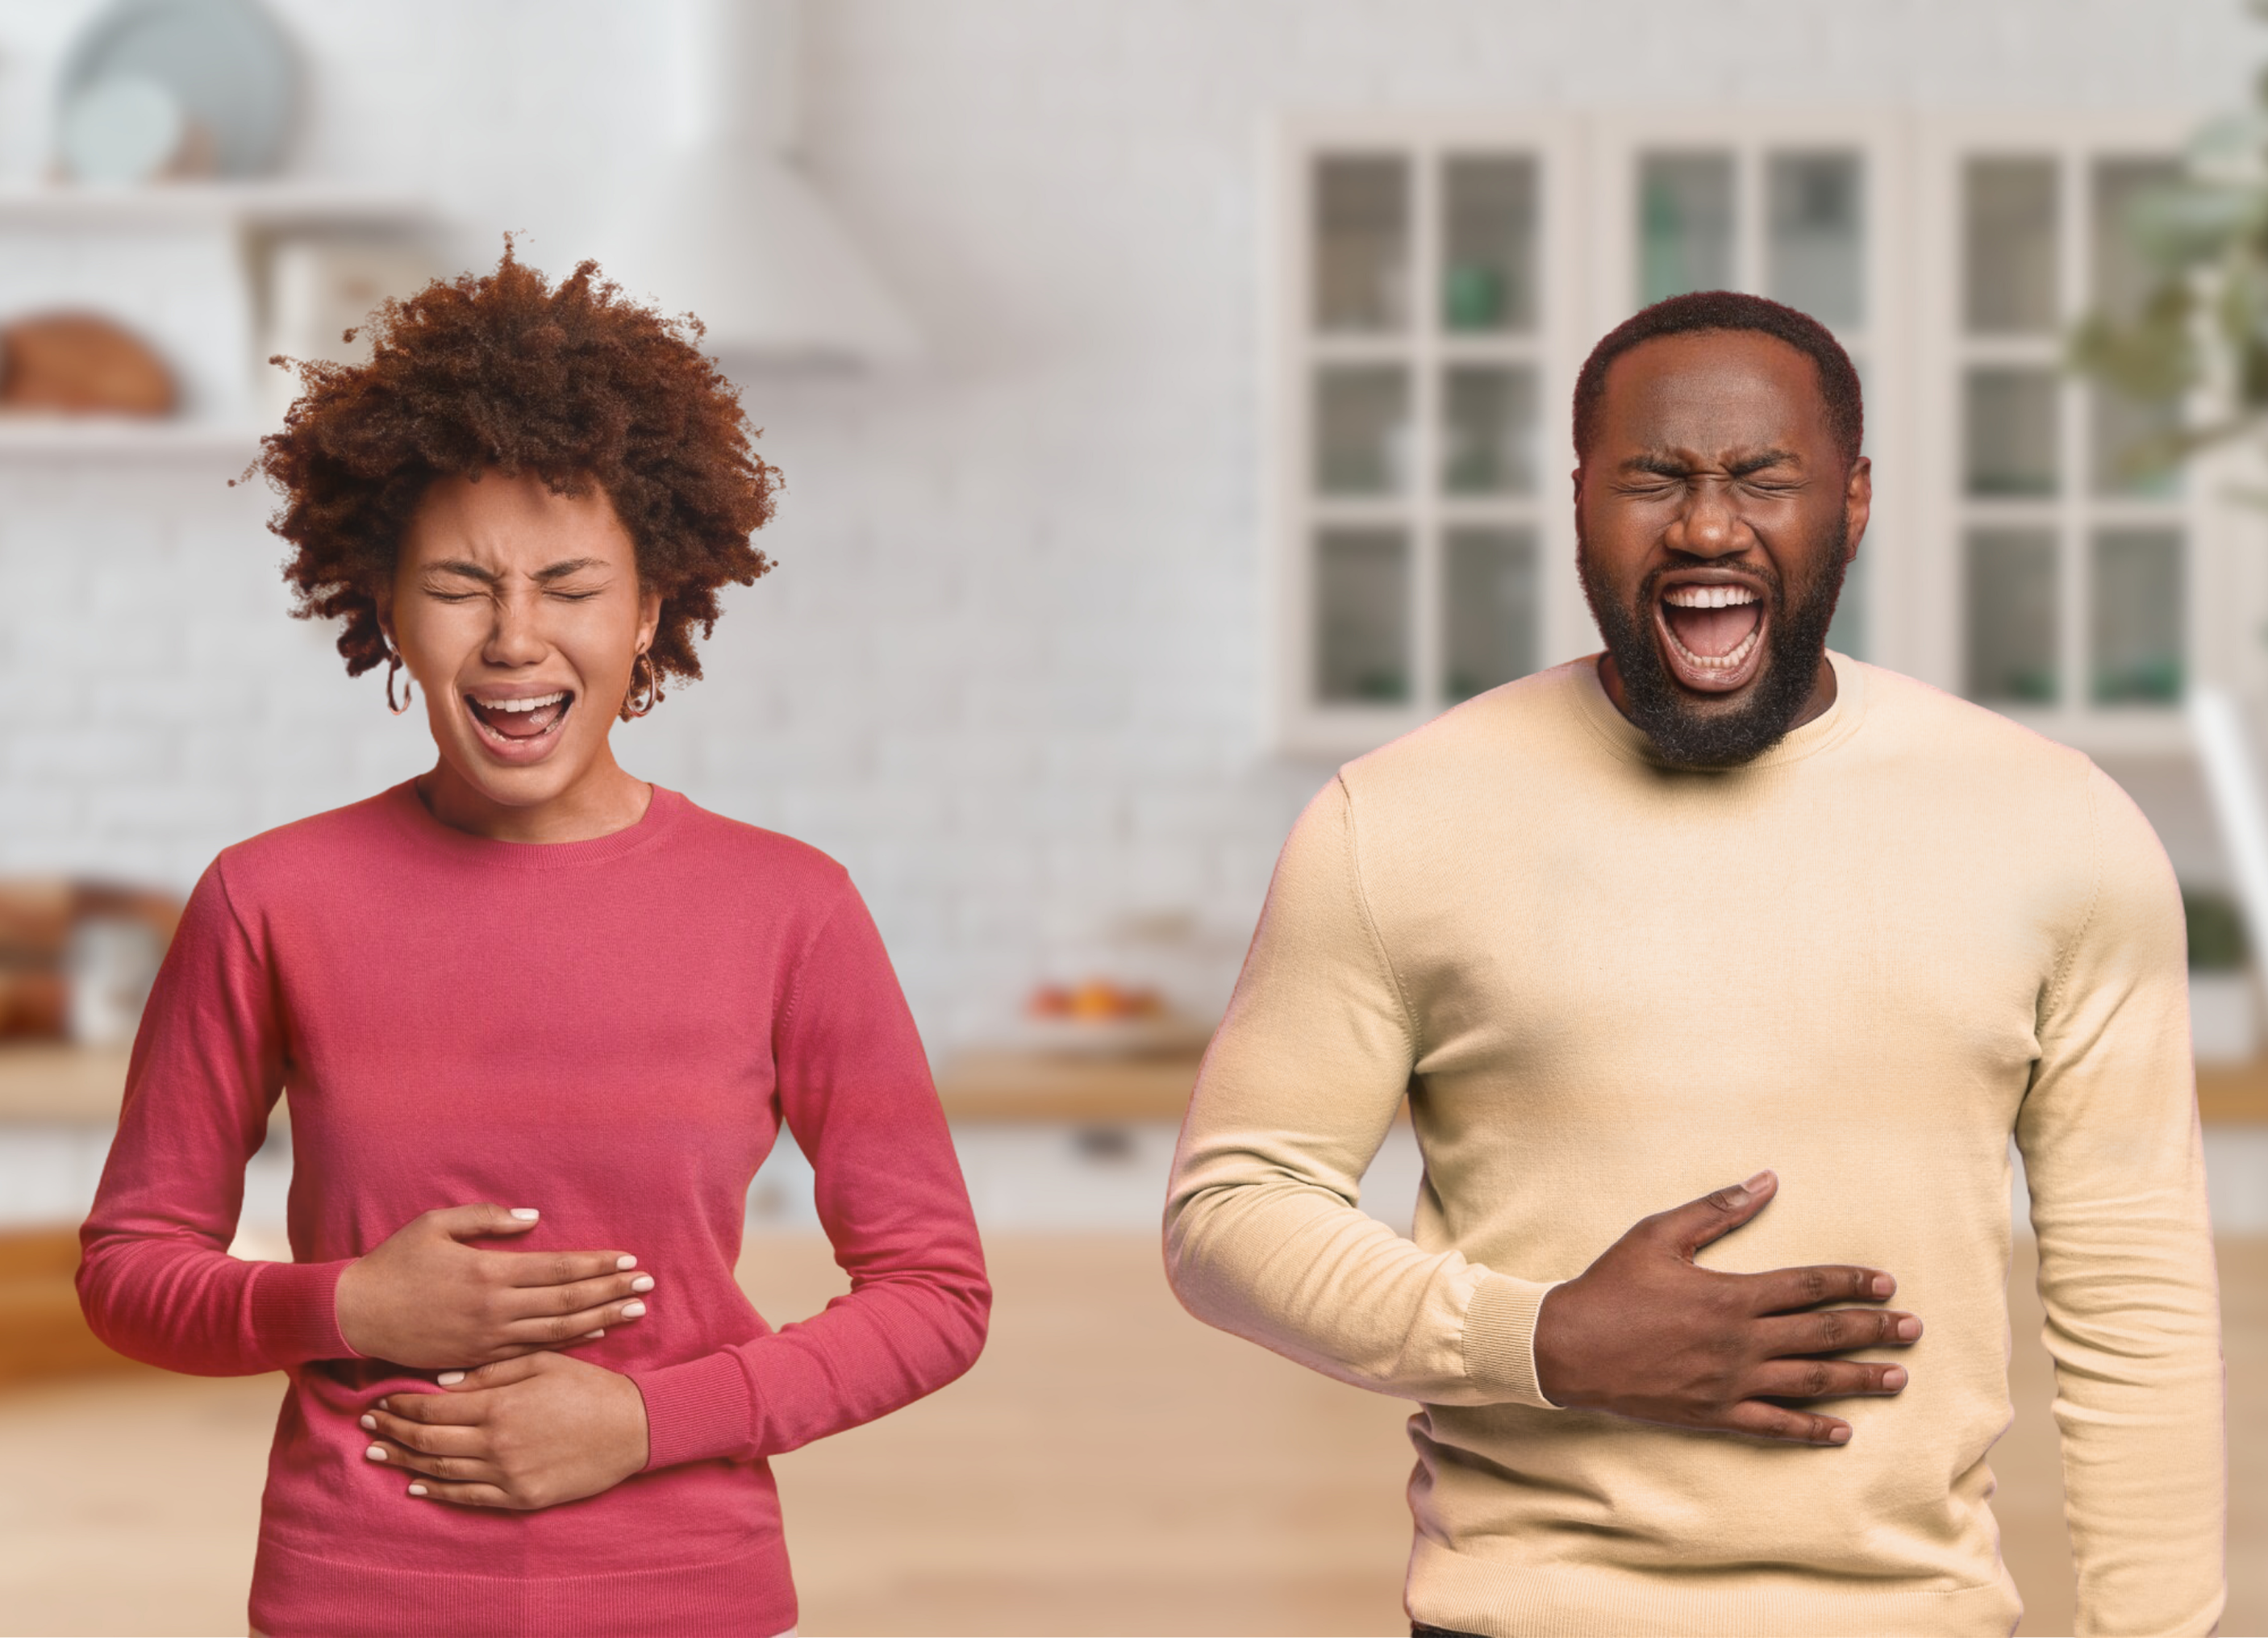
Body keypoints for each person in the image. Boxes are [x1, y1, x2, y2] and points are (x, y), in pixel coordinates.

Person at [1165, 290, 2224, 1636]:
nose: (1709, 526)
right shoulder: (1399, 820)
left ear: (1853, 502)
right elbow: (1229, 1212)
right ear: (1578, 503)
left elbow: (2135, 1293)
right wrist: (1539, 1338)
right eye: (1653, 478)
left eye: (1763, 478)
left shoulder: (2056, 824)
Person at [77, 247, 990, 1638]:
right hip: (354, 1594)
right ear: (385, 607)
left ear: (649, 612)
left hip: (686, 1594)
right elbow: (131, 1273)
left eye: (570, 584)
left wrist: (645, 1417)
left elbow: (936, 1293)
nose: (516, 638)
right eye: (459, 585)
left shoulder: (789, 906)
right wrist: (351, 1304)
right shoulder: (268, 897)